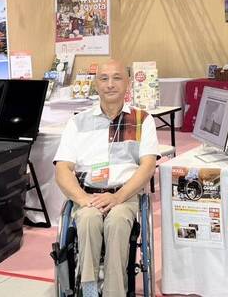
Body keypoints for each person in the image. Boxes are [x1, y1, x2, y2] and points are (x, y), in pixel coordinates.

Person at [54, 60, 159, 297]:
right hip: (88, 195)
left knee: (117, 221)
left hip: (125, 195)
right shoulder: (77, 122)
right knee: (88, 220)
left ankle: (114, 292)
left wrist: (118, 197)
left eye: (117, 78)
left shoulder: (143, 120)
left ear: (128, 83)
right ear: (96, 83)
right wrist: (83, 199)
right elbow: (62, 169)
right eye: (104, 78)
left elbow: (148, 166)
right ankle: (89, 291)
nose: (110, 84)